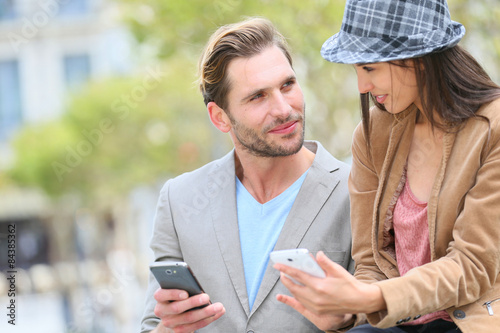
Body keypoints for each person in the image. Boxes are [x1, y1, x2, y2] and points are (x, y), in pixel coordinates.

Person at [274, 0, 500, 332]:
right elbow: (371, 263)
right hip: (399, 321)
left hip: (471, 318)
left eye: (369, 68)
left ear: (417, 60)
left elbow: (473, 267)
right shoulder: (372, 135)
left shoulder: (492, 128)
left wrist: (374, 298)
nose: (362, 87)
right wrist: (347, 313)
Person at [140, 17, 353, 333]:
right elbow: (152, 324)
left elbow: (388, 318)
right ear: (220, 117)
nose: (283, 108)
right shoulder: (179, 200)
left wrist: (345, 321)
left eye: (287, 85)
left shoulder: (356, 190)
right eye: (258, 96)